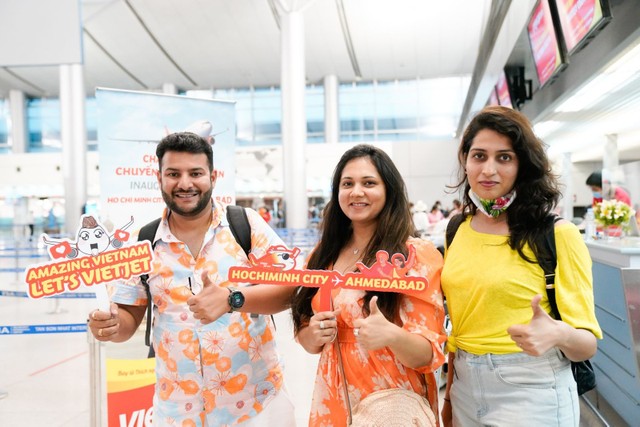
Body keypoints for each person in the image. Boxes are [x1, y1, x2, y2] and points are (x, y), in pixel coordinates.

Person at [88, 132, 296, 426]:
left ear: (213, 177)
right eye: (173, 174)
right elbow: (127, 320)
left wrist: (233, 300)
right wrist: (110, 325)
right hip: (178, 411)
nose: (185, 183)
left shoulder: (245, 225)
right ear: (159, 178)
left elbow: (292, 288)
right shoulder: (143, 243)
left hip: (257, 405)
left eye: (195, 173)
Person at [441, 106, 602, 426]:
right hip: (464, 386)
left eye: (504, 157)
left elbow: (587, 346)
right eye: (479, 156)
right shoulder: (457, 229)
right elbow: (459, 326)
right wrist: (448, 396)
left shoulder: (557, 235)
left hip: (532, 388)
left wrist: (558, 333)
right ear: (466, 161)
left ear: (522, 165)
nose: (488, 169)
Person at [290, 144, 446, 426]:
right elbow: (306, 334)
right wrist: (314, 334)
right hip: (333, 400)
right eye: (347, 183)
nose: (356, 192)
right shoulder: (323, 253)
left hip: (391, 403)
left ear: (389, 190)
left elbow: (428, 354)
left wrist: (392, 336)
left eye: (369, 183)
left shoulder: (415, 255)